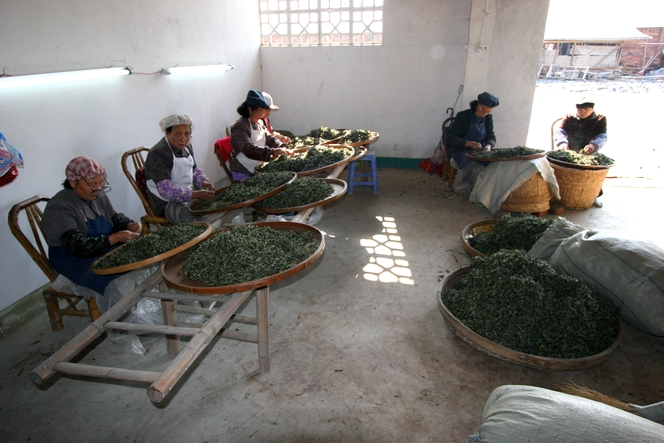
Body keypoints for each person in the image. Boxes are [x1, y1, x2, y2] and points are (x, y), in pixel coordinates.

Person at [42, 156, 141, 296]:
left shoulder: (97, 196)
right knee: (115, 280)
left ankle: (144, 304)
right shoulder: (59, 207)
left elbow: (113, 217)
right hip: (74, 261)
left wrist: (128, 224)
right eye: (92, 184)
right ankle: (121, 314)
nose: (98, 188)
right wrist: (114, 239)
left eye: (100, 183)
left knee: (139, 258)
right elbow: (77, 246)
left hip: (102, 250)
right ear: (72, 182)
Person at [145, 114, 215, 223]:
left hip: (188, 194)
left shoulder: (187, 147)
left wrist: (204, 182)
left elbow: (195, 170)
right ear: (167, 133)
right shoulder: (158, 153)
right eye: (178, 134)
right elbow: (166, 191)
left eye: (187, 134)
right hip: (165, 203)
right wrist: (195, 194)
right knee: (194, 220)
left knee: (216, 206)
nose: (183, 139)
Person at [553, 97, 608, 207]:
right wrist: (562, 143)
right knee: (562, 172)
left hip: (588, 151)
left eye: (586, 110)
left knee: (591, 175)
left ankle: (592, 197)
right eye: (580, 110)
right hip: (569, 149)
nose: (582, 112)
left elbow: (602, 136)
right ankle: (559, 195)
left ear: (592, 109)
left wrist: (593, 145)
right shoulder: (570, 116)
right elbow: (560, 132)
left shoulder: (599, 119)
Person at [229, 90, 293, 181]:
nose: (261, 116)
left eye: (262, 113)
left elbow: (269, 138)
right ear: (250, 109)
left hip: (257, 166)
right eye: (260, 113)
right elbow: (248, 148)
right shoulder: (239, 127)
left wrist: (281, 146)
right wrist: (272, 152)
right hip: (243, 170)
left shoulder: (259, 123)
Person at [446, 92, 500, 195]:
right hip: (461, 150)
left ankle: (483, 192)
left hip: (479, 151)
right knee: (472, 163)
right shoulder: (463, 116)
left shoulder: (488, 118)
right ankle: (463, 189)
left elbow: (491, 136)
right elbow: (451, 138)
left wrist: (488, 145)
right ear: (479, 105)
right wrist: (468, 143)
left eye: (488, 112)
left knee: (491, 164)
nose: (485, 114)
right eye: (484, 110)